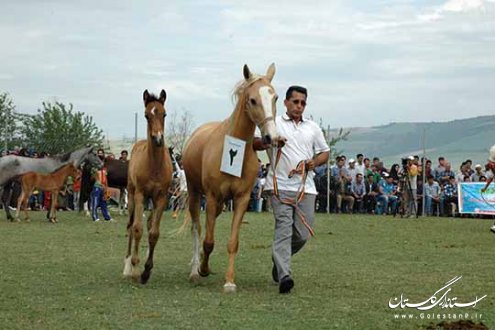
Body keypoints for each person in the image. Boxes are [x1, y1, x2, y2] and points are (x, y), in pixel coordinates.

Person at [254, 85, 330, 294]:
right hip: (279, 186)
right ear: (286, 103)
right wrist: (271, 139)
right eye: (295, 102)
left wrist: (315, 162)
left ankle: (278, 259)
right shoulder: (274, 123)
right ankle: (284, 275)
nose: (299, 106)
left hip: (306, 187)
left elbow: (325, 152)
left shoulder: (313, 127)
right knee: (284, 230)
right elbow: (255, 143)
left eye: (303, 103)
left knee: (303, 234)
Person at [480, 145, 495, 233]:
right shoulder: (493, 167)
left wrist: (485, 188)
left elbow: (490, 178)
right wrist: (485, 188)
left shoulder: (492, 167)